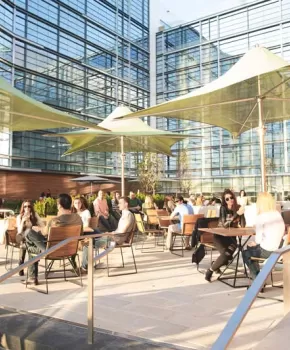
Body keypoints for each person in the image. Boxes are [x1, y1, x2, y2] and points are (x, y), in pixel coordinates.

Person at [25, 194, 83, 285]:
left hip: (52, 251)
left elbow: (44, 233)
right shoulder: (78, 218)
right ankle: (32, 251)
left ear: (59, 206)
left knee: (29, 234)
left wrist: (38, 229)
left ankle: (32, 276)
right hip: (70, 250)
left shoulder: (55, 221)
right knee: (33, 243)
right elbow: (81, 233)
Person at [81, 197, 135, 273]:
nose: (118, 205)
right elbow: (119, 231)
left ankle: (85, 268)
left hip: (114, 240)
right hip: (113, 238)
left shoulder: (128, 215)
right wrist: (108, 233)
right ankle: (87, 266)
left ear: (126, 204)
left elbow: (122, 232)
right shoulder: (125, 214)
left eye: (120, 203)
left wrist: (110, 233)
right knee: (94, 233)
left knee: (88, 242)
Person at [242, 192, 285, 280]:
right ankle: (258, 277)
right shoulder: (277, 214)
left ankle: (257, 280)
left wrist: (254, 243)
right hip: (279, 249)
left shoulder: (261, 217)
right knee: (252, 249)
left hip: (267, 251)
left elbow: (258, 240)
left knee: (246, 253)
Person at [205, 189, 244, 282]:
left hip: (232, 238)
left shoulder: (238, 207)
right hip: (220, 237)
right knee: (226, 255)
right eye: (227, 199)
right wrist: (237, 214)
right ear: (224, 201)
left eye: (231, 198)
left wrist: (242, 214)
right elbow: (225, 225)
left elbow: (243, 225)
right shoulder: (223, 208)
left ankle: (215, 264)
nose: (230, 200)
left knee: (227, 256)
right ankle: (210, 271)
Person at [16, 200, 45, 277]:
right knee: (23, 244)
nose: (27, 208)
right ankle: (21, 265)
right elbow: (19, 231)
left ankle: (30, 271)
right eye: (25, 206)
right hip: (22, 237)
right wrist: (23, 221)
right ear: (23, 208)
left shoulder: (35, 215)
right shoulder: (19, 217)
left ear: (31, 207)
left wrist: (35, 226)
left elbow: (42, 226)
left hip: (33, 238)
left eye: (29, 206)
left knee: (27, 246)